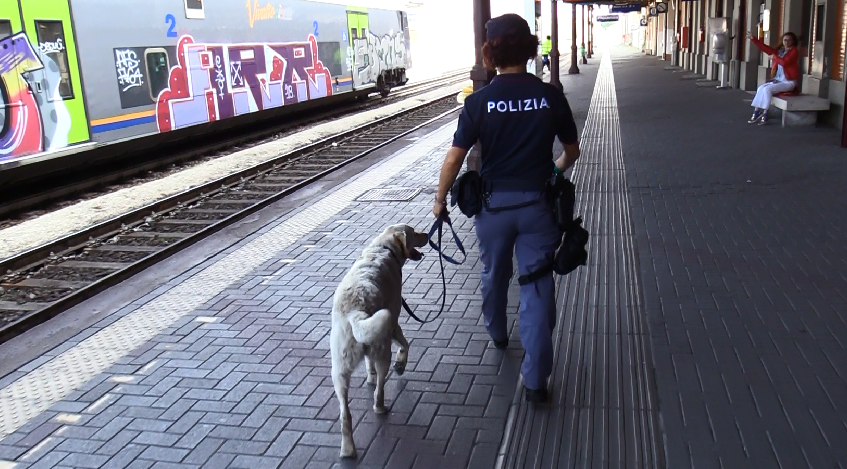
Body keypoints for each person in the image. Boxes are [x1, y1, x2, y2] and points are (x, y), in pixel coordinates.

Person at [431, 13, 581, 403]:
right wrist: (552, 171)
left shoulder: (478, 102)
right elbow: (572, 151)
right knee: (537, 286)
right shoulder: (550, 96)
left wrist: (439, 200)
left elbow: (453, 160)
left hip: (493, 209)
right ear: (531, 49)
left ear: (489, 52)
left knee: (494, 273)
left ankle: (498, 332)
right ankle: (535, 381)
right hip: (537, 209)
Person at [747, 31, 800, 125]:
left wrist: (774, 58)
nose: (786, 42)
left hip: (789, 82)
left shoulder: (794, 51)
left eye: (789, 40)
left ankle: (765, 113)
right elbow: (766, 49)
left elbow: (785, 62)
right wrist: (754, 39)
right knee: (761, 88)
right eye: (785, 40)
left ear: (793, 41)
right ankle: (756, 111)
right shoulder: (780, 51)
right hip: (778, 81)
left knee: (767, 89)